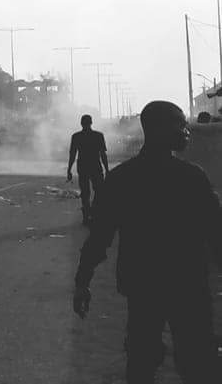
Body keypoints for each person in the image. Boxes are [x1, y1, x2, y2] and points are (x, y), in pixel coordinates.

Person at [72, 100, 221, 383]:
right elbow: (216, 234)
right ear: (161, 129)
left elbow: (99, 238)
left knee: (142, 360)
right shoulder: (191, 177)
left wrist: (82, 281)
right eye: (180, 125)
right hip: (187, 285)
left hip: (142, 285)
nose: (186, 131)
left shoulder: (121, 179)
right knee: (198, 361)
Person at [67, 114, 110, 225]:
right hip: (95, 166)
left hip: (83, 167)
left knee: (85, 193)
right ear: (91, 122)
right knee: (99, 191)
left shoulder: (76, 136)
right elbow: (103, 154)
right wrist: (107, 169)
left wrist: (69, 169)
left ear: (81, 123)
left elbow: (72, 154)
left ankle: (87, 215)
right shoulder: (98, 136)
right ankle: (96, 213)